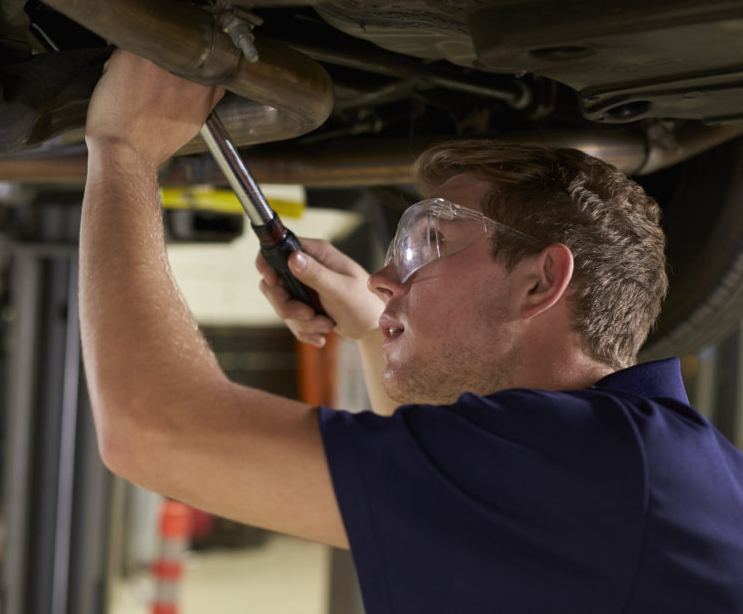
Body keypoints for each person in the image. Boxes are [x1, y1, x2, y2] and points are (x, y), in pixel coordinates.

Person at [80, 49, 743, 612]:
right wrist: (378, 331)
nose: (381, 279)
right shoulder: (628, 455)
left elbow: (153, 430)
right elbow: (443, 472)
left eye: (427, 243)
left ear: (541, 283)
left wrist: (125, 149)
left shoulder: (588, 467)